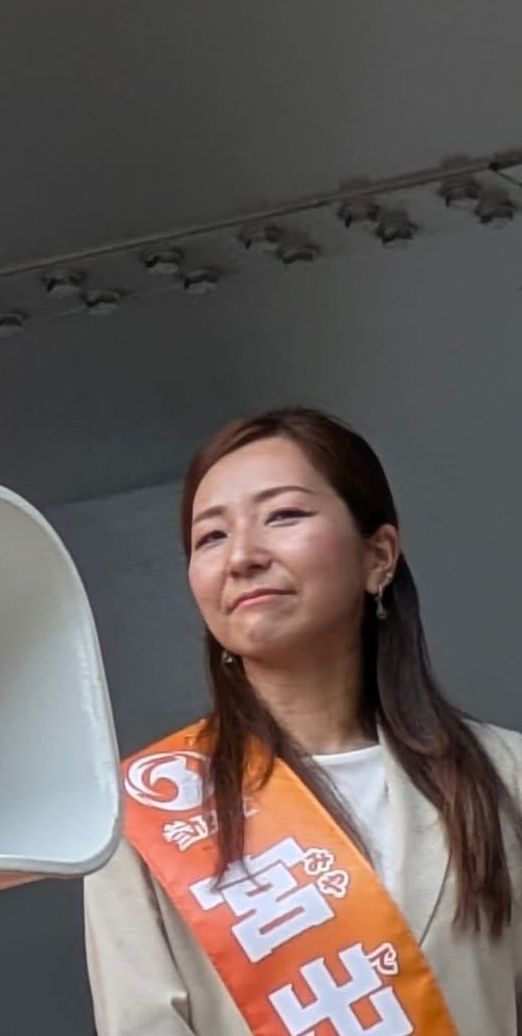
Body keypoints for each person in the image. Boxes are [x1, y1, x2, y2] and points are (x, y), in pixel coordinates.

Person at [84, 407, 522, 1034]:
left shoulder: (507, 776)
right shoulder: (149, 810)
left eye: (284, 515)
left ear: (378, 556)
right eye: (211, 537)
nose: (242, 557)